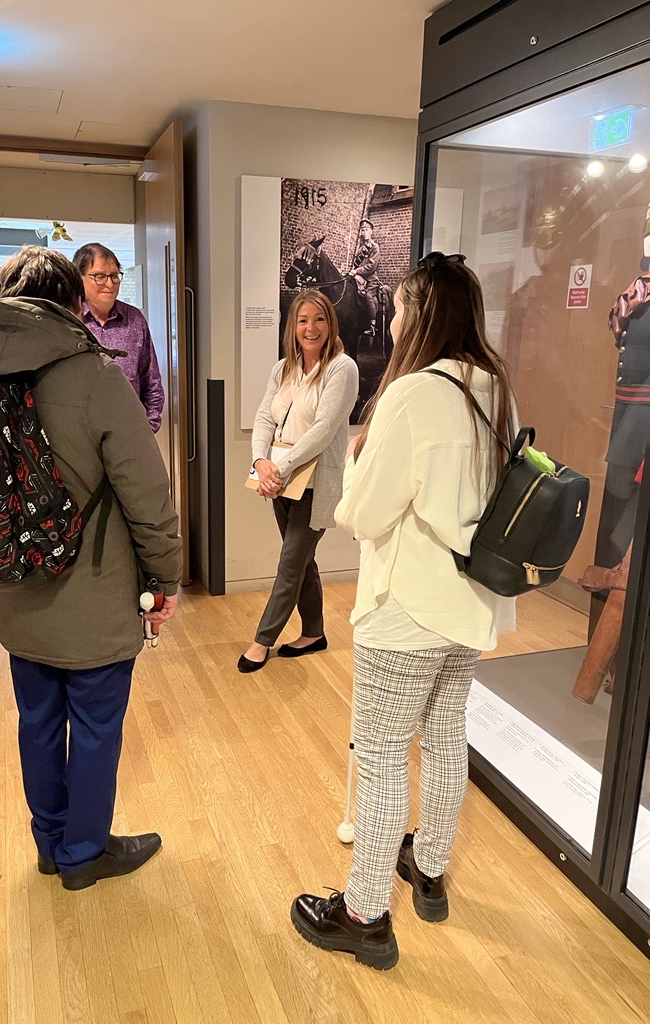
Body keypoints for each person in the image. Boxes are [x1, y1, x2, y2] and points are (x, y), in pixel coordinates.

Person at [290, 252, 516, 969]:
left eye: (399, 306)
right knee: (446, 738)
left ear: (422, 314)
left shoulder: (414, 395)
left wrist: (359, 456)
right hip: (471, 606)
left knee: (384, 756)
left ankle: (363, 915)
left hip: (409, 608)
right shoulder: (495, 389)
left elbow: (362, 513)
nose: (390, 316)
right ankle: (432, 869)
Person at [0, 245, 183, 890]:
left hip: (14, 593)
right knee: (97, 726)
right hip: (93, 590)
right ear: (70, 303)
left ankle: (50, 843)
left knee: (38, 721)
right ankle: (84, 852)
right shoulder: (93, 377)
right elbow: (147, 493)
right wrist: (164, 578)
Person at [238, 289, 359, 672]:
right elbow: (263, 418)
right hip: (278, 480)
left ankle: (262, 641)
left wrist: (280, 467)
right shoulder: (283, 368)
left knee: (290, 563)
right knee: (303, 562)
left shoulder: (343, 368)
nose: (311, 328)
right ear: (293, 326)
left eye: (319, 319)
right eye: (303, 320)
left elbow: (324, 430)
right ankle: (314, 632)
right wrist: (261, 462)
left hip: (313, 483)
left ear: (331, 323)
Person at [72, 242, 165, 433]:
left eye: (114, 276)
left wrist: (149, 428)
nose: (110, 283)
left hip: (130, 433)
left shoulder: (134, 319)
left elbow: (152, 381)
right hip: (81, 437)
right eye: (99, 276)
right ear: (79, 279)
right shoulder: (69, 320)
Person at [349, 218, 381, 336]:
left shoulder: (375, 247)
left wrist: (356, 271)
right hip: (358, 278)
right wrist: (352, 271)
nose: (364, 233)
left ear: (371, 231)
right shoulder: (361, 249)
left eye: (366, 230)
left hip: (371, 280)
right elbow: (356, 263)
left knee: (368, 295)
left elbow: (371, 266)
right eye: (362, 230)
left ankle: (372, 326)